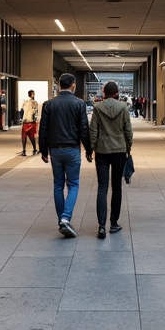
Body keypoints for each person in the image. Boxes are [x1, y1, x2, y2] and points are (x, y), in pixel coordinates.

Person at [38, 73, 90, 238]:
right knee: (73, 184)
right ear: (73, 85)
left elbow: (43, 128)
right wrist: (89, 149)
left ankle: (62, 220)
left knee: (58, 185)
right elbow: (83, 128)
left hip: (55, 151)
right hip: (72, 149)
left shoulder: (49, 104)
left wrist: (43, 150)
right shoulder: (79, 104)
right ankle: (65, 218)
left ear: (59, 85)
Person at [89, 80, 133, 238]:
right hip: (119, 151)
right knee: (117, 187)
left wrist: (91, 148)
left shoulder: (97, 107)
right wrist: (128, 147)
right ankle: (114, 223)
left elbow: (93, 129)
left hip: (102, 150)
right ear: (116, 93)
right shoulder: (123, 107)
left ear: (104, 93)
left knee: (102, 187)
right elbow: (128, 129)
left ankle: (101, 226)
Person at [21, 90, 40, 155]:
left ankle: (24, 150)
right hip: (31, 121)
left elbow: (22, 110)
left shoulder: (25, 102)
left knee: (24, 136)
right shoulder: (34, 102)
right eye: (33, 94)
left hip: (25, 120)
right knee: (32, 136)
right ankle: (34, 149)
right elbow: (35, 112)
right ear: (32, 94)